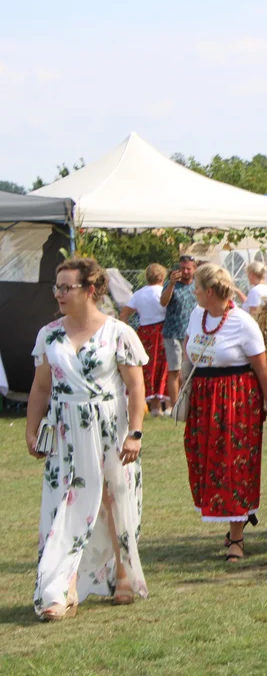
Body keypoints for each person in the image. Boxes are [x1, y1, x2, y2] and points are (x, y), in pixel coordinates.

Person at [25, 258, 148, 621]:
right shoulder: (48, 334)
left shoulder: (118, 333)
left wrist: (135, 433)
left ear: (90, 289)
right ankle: (63, 587)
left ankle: (122, 574)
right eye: (57, 288)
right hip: (65, 432)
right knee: (64, 502)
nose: (59, 294)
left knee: (113, 498)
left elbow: (135, 386)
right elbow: (41, 387)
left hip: (109, 429)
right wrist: (32, 430)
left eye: (67, 287)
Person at [183, 264, 267, 562]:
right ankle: (229, 523)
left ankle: (237, 537)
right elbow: (189, 354)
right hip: (202, 397)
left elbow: (262, 369)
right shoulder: (195, 316)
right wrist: (182, 394)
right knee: (203, 460)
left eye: (197, 287)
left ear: (210, 291)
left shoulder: (242, 322)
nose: (194, 291)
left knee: (233, 464)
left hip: (236, 400)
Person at [120, 263, 169, 416]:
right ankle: (167, 405)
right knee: (165, 366)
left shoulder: (139, 294)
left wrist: (127, 333)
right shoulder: (164, 292)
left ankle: (154, 406)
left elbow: (124, 314)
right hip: (163, 330)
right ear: (162, 277)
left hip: (145, 333)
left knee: (149, 367)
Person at [160, 254, 198, 416]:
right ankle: (175, 407)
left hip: (193, 333)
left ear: (194, 269)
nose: (185, 271)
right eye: (182, 268)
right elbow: (163, 302)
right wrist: (171, 284)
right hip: (173, 333)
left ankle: (190, 404)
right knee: (175, 370)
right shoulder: (172, 285)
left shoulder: (198, 285)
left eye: (188, 268)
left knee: (190, 371)